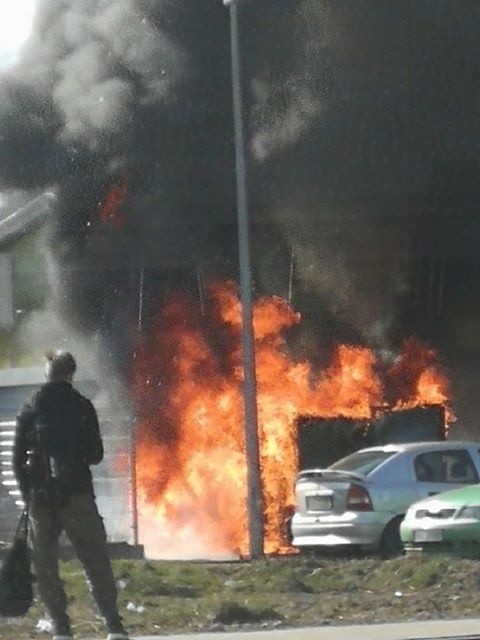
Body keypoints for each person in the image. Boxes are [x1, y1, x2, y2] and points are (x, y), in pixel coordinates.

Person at [13, 350, 129, 640]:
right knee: (94, 560)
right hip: (77, 494)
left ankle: (61, 629)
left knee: (45, 565)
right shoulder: (82, 405)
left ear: (47, 373)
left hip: (41, 499)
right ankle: (113, 625)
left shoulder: (31, 406)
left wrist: (29, 492)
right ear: (71, 374)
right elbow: (96, 454)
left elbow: (16, 459)